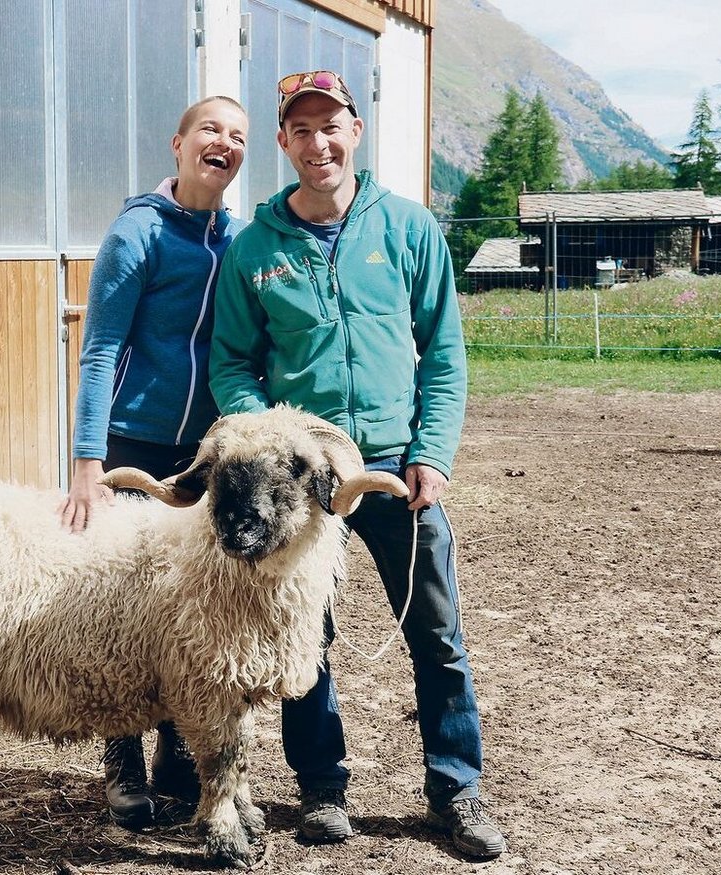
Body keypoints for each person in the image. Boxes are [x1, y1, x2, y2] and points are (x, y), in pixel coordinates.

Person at [208, 70, 507, 860]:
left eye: (331, 126)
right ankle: (321, 789)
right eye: (301, 131)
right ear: (283, 141)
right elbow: (232, 363)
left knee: (436, 631)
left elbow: (443, 354)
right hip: (305, 485)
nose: (318, 144)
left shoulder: (409, 230)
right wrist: (276, 439)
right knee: (306, 635)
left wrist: (431, 454)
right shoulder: (255, 249)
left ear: (356, 130)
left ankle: (455, 785)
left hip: (396, 473)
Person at [58, 95, 249, 829]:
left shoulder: (235, 237)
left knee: (187, 609)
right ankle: (122, 759)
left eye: (235, 136)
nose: (222, 143)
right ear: (178, 143)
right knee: (121, 607)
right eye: (210, 129)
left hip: (202, 453)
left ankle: (176, 751)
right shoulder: (137, 231)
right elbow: (101, 346)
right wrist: (88, 461)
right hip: (133, 447)